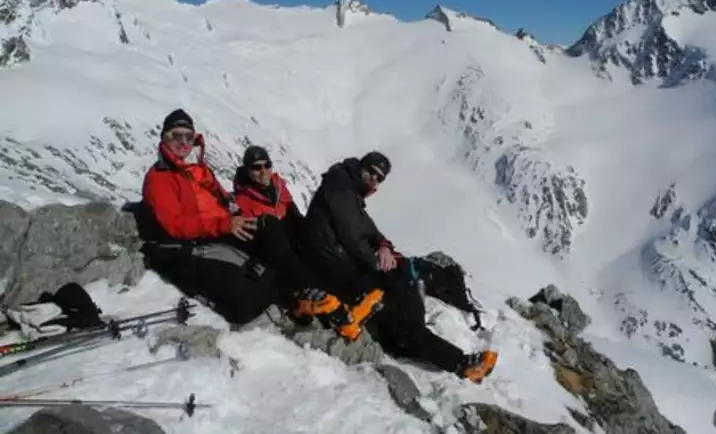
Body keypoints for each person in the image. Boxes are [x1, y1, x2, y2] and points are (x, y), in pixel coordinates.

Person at [300, 150, 498, 383]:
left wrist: (384, 246)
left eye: (379, 177)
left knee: (401, 273)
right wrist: (377, 261)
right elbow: (351, 235)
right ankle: (450, 358)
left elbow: (366, 228)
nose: (374, 179)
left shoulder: (347, 189)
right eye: (371, 172)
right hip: (332, 267)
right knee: (397, 285)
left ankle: (421, 340)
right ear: (361, 167)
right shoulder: (341, 189)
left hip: (339, 261)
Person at [140, 109, 275, 325]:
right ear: (165, 138)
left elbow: (221, 195)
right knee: (247, 301)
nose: (183, 142)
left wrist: (234, 214)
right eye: (176, 136)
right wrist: (223, 224)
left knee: (271, 241)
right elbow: (175, 225)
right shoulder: (159, 178)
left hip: (214, 233)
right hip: (184, 248)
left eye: (188, 137)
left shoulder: (197, 169)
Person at [232, 145, 377, 331]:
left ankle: (348, 295)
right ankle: (314, 301)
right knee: (277, 235)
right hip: (273, 252)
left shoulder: (278, 186)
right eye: (256, 167)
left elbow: (295, 217)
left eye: (266, 165)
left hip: (292, 244)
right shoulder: (241, 201)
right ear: (247, 170)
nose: (263, 172)